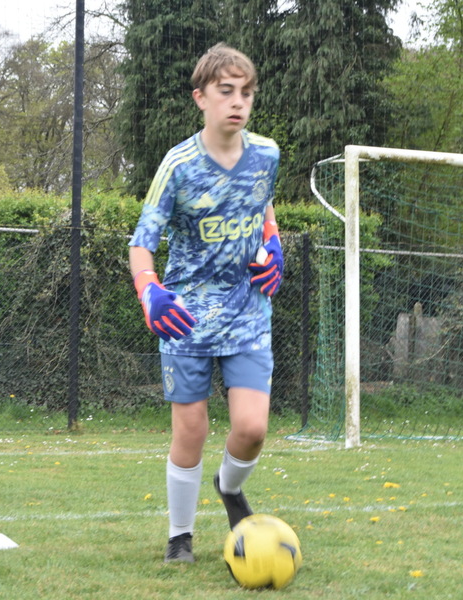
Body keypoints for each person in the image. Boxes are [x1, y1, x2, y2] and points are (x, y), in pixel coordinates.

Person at [128, 43, 283, 563]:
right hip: (186, 317)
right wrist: (150, 290)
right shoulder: (178, 165)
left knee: (252, 429)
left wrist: (274, 242)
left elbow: (264, 206)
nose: (238, 102)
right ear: (201, 98)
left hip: (248, 312)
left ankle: (229, 486)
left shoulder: (267, 154)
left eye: (246, 92)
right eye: (226, 91)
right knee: (191, 430)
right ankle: (180, 537)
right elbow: (141, 243)